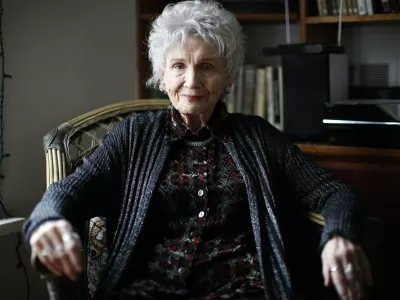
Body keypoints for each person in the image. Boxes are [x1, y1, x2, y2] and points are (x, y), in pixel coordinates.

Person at [23, 1, 372, 300]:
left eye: (207, 66)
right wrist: (47, 221)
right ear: (162, 76)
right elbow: (68, 192)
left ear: (229, 76)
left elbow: (335, 193)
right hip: (146, 290)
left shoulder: (259, 138)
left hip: (241, 290)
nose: (191, 81)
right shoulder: (133, 137)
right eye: (178, 66)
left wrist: (338, 234)